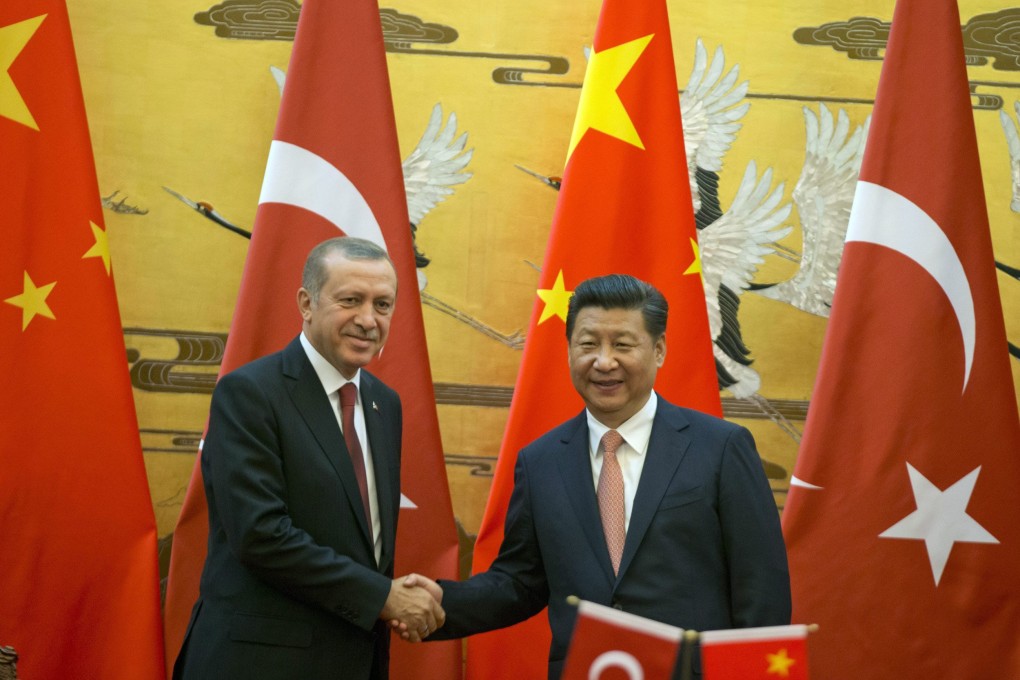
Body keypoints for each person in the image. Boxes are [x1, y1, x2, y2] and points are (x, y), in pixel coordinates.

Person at [405, 273, 790, 679]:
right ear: (570, 349)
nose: (604, 362)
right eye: (588, 344)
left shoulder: (721, 448)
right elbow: (520, 582)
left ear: (658, 350)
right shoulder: (541, 462)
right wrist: (440, 602)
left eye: (623, 345)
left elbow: (761, 590)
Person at [173, 236, 444, 680]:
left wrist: (393, 595)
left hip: (352, 660)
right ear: (307, 302)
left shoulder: (384, 403)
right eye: (351, 300)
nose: (368, 320)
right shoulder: (250, 393)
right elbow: (261, 535)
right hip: (259, 663)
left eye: (383, 304)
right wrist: (383, 597)